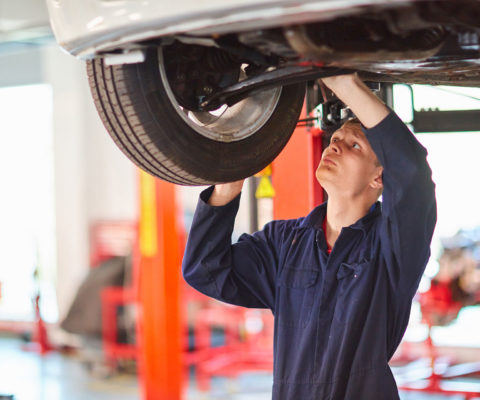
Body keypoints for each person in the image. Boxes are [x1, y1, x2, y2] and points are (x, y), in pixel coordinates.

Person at [182, 73, 437, 399]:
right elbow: (205, 269)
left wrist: (346, 85)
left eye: (354, 145)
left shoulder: (391, 247)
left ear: (378, 178)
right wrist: (228, 185)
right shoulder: (285, 242)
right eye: (335, 140)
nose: (336, 145)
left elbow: (412, 172)